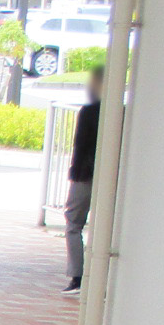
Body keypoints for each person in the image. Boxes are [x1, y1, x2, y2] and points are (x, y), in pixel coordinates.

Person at [63, 66, 103, 294]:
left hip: (85, 175)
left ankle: (77, 277)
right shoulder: (124, 112)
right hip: (112, 176)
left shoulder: (89, 111)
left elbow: (81, 146)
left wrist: (76, 172)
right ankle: (101, 278)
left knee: (73, 223)